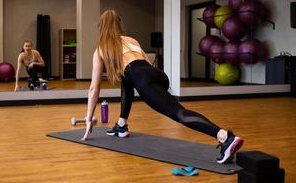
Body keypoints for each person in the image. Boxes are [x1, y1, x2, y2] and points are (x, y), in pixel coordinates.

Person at [81, 10, 244, 164]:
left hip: (143, 78)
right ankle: (121, 125)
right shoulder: (131, 40)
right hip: (157, 74)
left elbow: (94, 88)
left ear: (101, 27)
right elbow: (144, 62)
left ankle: (225, 137)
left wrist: (89, 118)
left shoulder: (101, 49)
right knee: (127, 78)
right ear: (118, 24)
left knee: (180, 113)